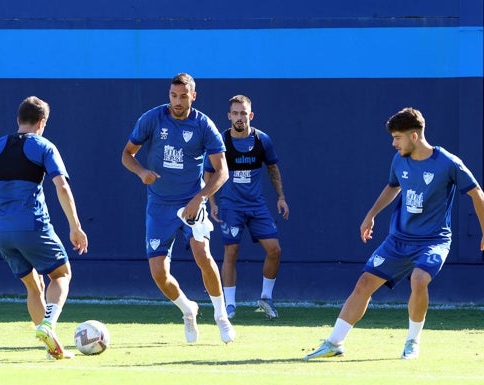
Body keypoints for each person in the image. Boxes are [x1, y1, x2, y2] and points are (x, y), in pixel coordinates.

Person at [304, 107, 484, 360]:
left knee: (419, 279)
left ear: (413, 136)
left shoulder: (448, 163)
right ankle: (334, 343)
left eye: (397, 137)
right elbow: (392, 187)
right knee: (364, 283)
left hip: (433, 241)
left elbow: (478, 194)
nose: (393, 143)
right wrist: (371, 215)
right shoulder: (399, 159)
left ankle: (412, 341)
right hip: (398, 240)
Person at [0, 96, 88, 360]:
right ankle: (48, 324)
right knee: (61, 275)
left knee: (33, 286)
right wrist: (76, 226)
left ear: (18, 120)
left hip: (1, 232)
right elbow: (62, 186)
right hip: (32, 226)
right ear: (42, 122)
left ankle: (52, 348)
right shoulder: (44, 145)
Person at [121, 73, 236, 344]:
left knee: (203, 254)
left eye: (183, 96)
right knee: (158, 272)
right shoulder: (152, 118)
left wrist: (201, 198)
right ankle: (188, 309)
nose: (177, 101)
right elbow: (127, 154)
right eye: (174, 95)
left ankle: (221, 316)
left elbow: (222, 172)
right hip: (159, 205)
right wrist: (141, 172)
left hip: (191, 203)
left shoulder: (203, 125)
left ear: (193, 96)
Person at [204, 95, 289, 320]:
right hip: (231, 206)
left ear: (251, 115)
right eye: (236, 113)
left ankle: (265, 297)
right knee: (230, 252)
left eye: (244, 113)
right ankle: (229, 305)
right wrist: (211, 202)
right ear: (229, 116)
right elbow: (208, 173)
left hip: (257, 205)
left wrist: (281, 197)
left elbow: (273, 168)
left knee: (275, 250)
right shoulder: (220, 141)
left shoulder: (263, 140)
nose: (240, 117)